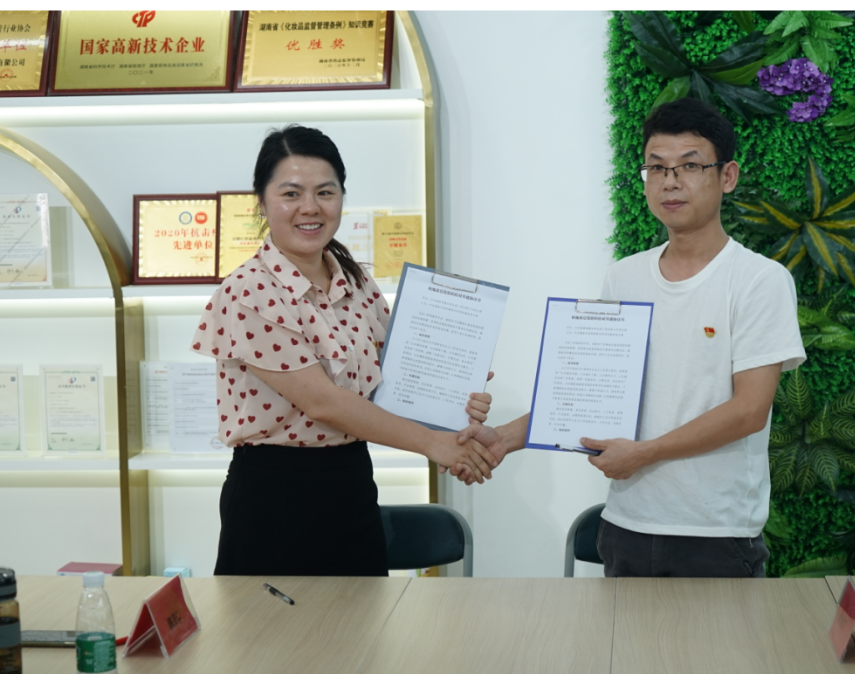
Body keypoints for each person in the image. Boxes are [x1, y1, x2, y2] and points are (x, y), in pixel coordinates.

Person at [456, 98, 806, 578]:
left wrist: (644, 453)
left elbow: (749, 410)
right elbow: (587, 394)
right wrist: (502, 439)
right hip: (626, 525)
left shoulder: (759, 280)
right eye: (656, 167)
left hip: (716, 533)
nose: (670, 181)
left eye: (690, 166)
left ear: (727, 176)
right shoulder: (624, 277)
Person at [191, 125, 498, 578]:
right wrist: (436, 445)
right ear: (261, 202)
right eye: (291, 193)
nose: (310, 208)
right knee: (270, 625)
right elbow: (324, 402)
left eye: (325, 192)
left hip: (352, 484)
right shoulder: (249, 291)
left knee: (363, 622)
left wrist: (454, 396)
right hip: (274, 497)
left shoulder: (352, 279)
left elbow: (392, 378)